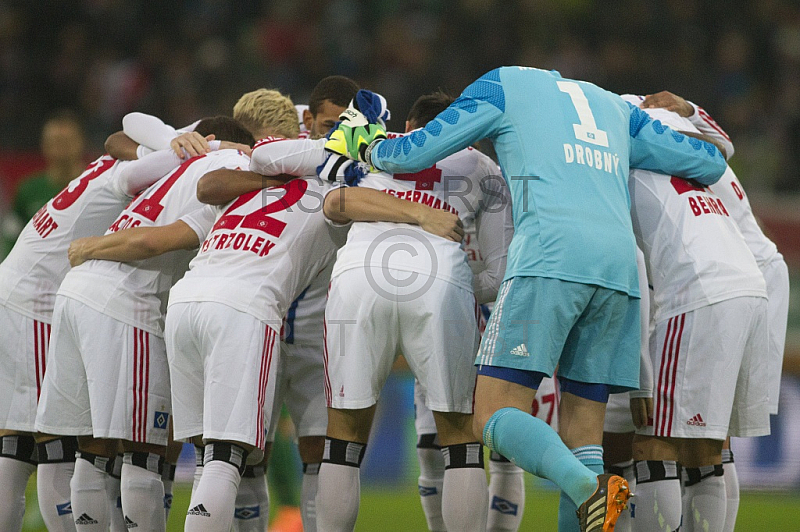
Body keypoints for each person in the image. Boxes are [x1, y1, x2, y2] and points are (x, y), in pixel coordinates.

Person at [326, 67, 728, 531]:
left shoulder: (503, 84)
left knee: (491, 414)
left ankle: (588, 487)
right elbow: (709, 162)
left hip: (550, 257)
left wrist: (367, 143)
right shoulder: (613, 105)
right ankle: (590, 485)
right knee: (583, 438)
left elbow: (408, 153)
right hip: (618, 268)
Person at [35, 115, 257, 532]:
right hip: (123, 304)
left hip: (76, 296)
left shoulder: (171, 162)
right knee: (144, 449)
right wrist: (93, 246)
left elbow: (124, 128)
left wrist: (179, 140)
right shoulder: (226, 180)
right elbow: (156, 240)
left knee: (91, 448)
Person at [0, 126, 196, 532]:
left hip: (25, 291)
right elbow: (156, 157)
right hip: (36, 301)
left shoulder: (101, 166)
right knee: (49, 442)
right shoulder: (121, 177)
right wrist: (192, 148)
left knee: (22, 439)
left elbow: (120, 134)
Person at [632, 91, 790, 532]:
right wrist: (692, 109)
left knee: (658, 443)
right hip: (758, 279)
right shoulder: (703, 149)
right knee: (712, 442)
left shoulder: (641, 151)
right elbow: (726, 144)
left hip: (710, 284)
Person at [2, 111, 88, 253]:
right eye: (55, 141)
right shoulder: (28, 190)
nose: (61, 148)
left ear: (81, 142)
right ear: (44, 145)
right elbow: (11, 235)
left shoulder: (96, 185)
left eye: (66, 141)